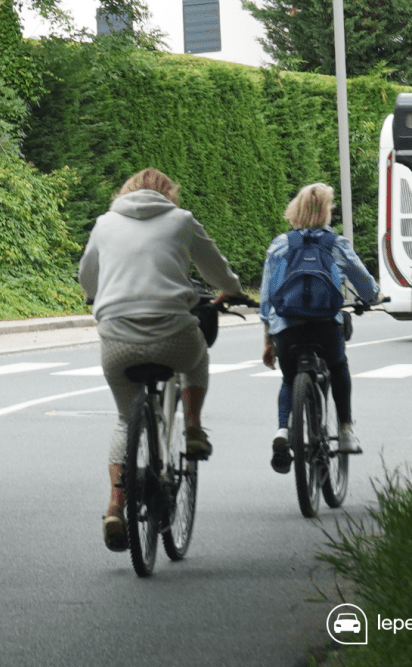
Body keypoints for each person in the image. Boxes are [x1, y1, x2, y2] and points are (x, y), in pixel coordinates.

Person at [78, 168, 248, 552]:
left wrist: (95, 297)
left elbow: (87, 276)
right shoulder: (181, 221)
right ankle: (192, 428)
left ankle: (115, 508)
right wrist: (233, 291)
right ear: (169, 193)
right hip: (174, 336)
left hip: (117, 341)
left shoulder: (105, 224)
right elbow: (216, 269)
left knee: (125, 419)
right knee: (197, 358)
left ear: (124, 193)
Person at [260, 182, 381, 474]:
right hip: (326, 326)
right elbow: (364, 284)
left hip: (287, 328)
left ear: (295, 210)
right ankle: (346, 430)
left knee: (289, 379)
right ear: (326, 212)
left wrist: (268, 337)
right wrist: (373, 297)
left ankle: (282, 431)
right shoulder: (336, 244)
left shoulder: (280, 244)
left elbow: (266, 297)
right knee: (338, 366)